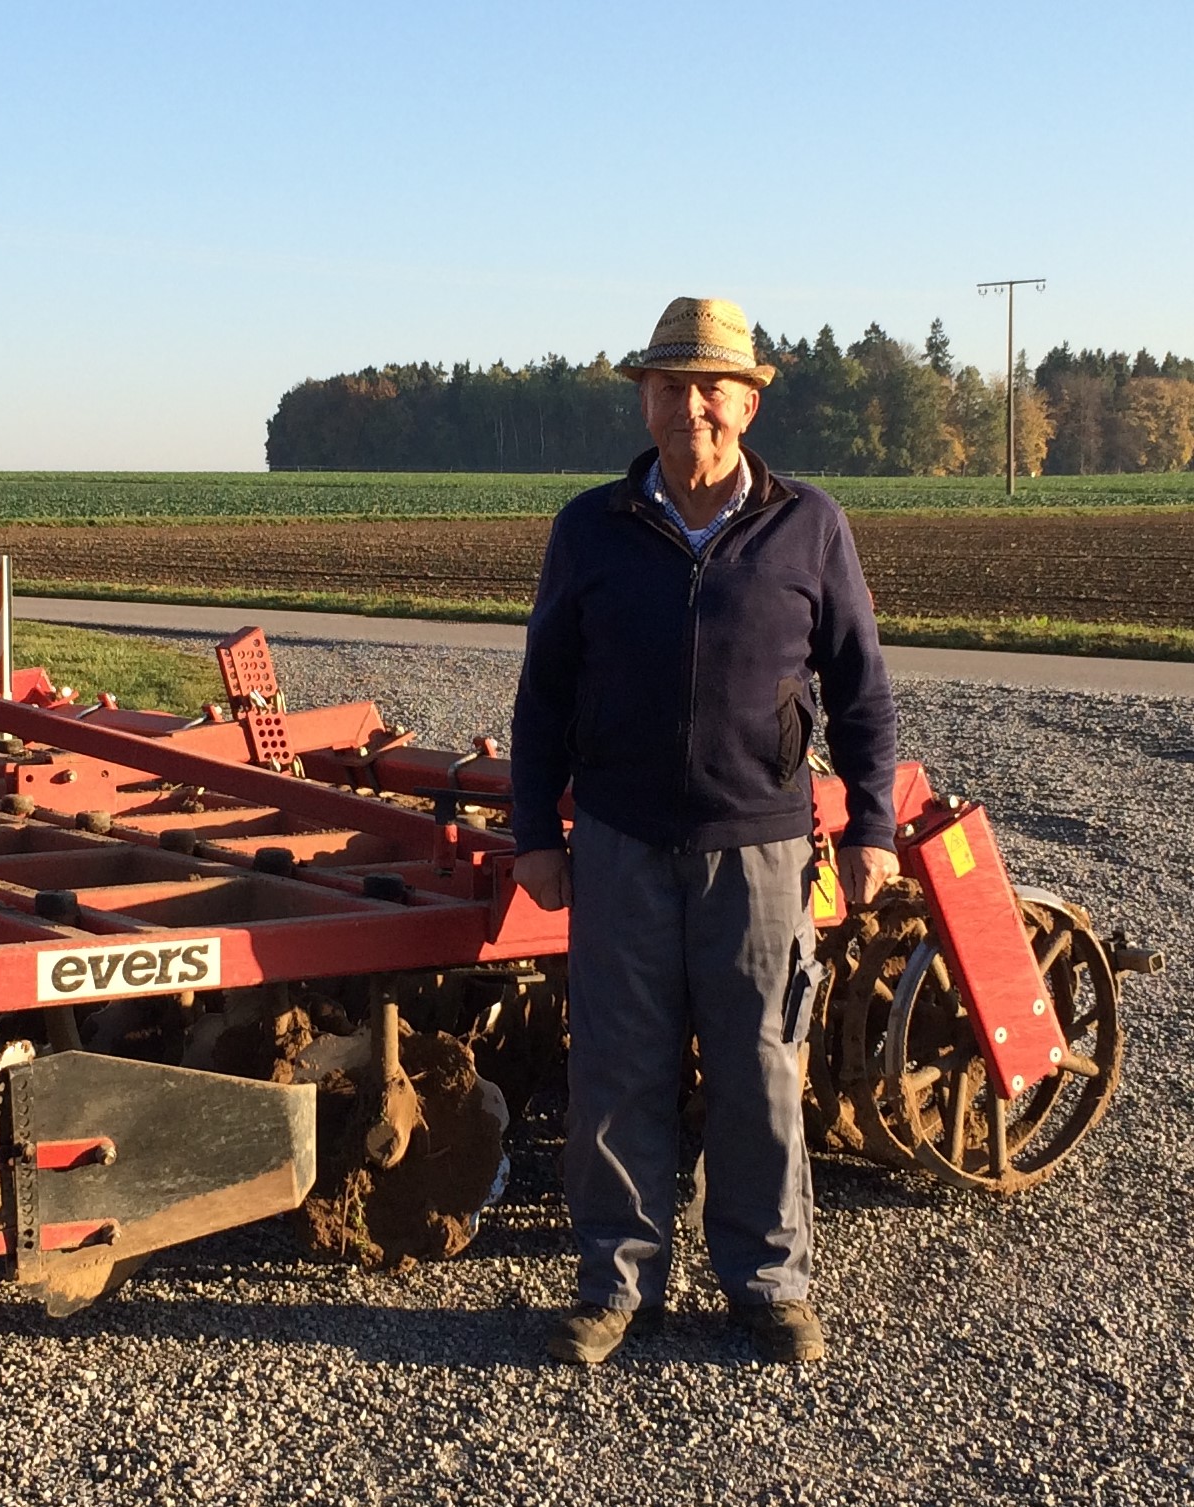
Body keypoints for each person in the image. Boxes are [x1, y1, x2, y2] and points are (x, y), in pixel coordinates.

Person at [509, 296, 899, 1365]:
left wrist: (870, 822)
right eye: (669, 385)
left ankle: (767, 1282)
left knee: (760, 1067)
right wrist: (534, 830)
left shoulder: (807, 524)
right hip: (620, 839)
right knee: (616, 1069)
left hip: (759, 847)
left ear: (748, 399)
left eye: (710, 386)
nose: (691, 407)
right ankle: (613, 1284)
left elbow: (861, 690)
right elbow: (542, 693)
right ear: (643, 397)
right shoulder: (589, 526)